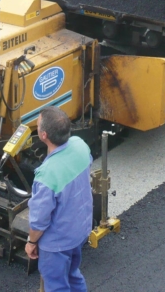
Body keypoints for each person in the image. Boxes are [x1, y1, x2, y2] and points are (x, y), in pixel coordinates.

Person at [25, 106, 93, 292]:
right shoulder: (80, 145)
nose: (36, 127)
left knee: (56, 285)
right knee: (73, 274)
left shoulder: (47, 175)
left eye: (37, 125)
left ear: (44, 135)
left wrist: (31, 243)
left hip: (57, 242)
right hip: (79, 231)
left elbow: (39, 221)